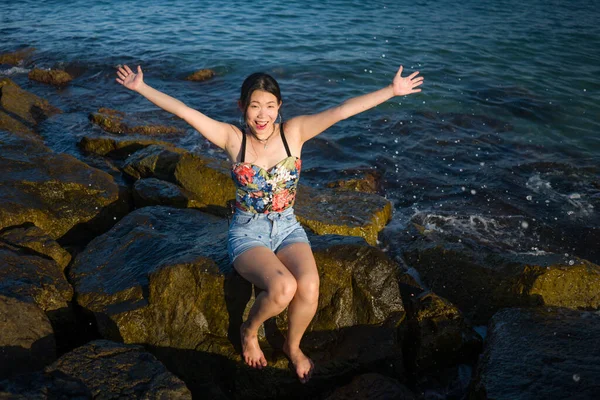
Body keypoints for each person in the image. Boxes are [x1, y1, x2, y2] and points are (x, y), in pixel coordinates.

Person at [116, 64, 423, 383]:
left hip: (288, 227)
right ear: (242, 107)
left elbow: (342, 110)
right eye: (254, 106)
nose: (262, 116)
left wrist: (391, 91)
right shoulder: (232, 139)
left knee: (310, 286)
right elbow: (184, 111)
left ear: (279, 108)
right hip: (248, 232)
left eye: (270, 106)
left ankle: (293, 346)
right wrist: (141, 88)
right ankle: (249, 330)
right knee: (283, 287)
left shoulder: (295, 132)